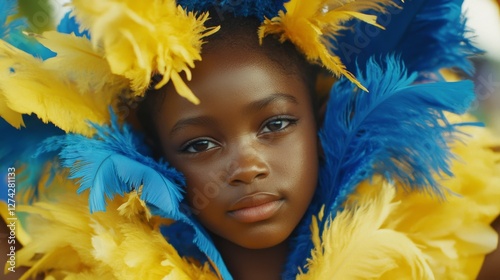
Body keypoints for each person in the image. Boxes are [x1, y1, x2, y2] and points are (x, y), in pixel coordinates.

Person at [1, 0, 499, 279]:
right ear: (151, 157)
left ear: (322, 121)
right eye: (199, 144)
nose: (246, 166)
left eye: (275, 125)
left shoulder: (448, 249)